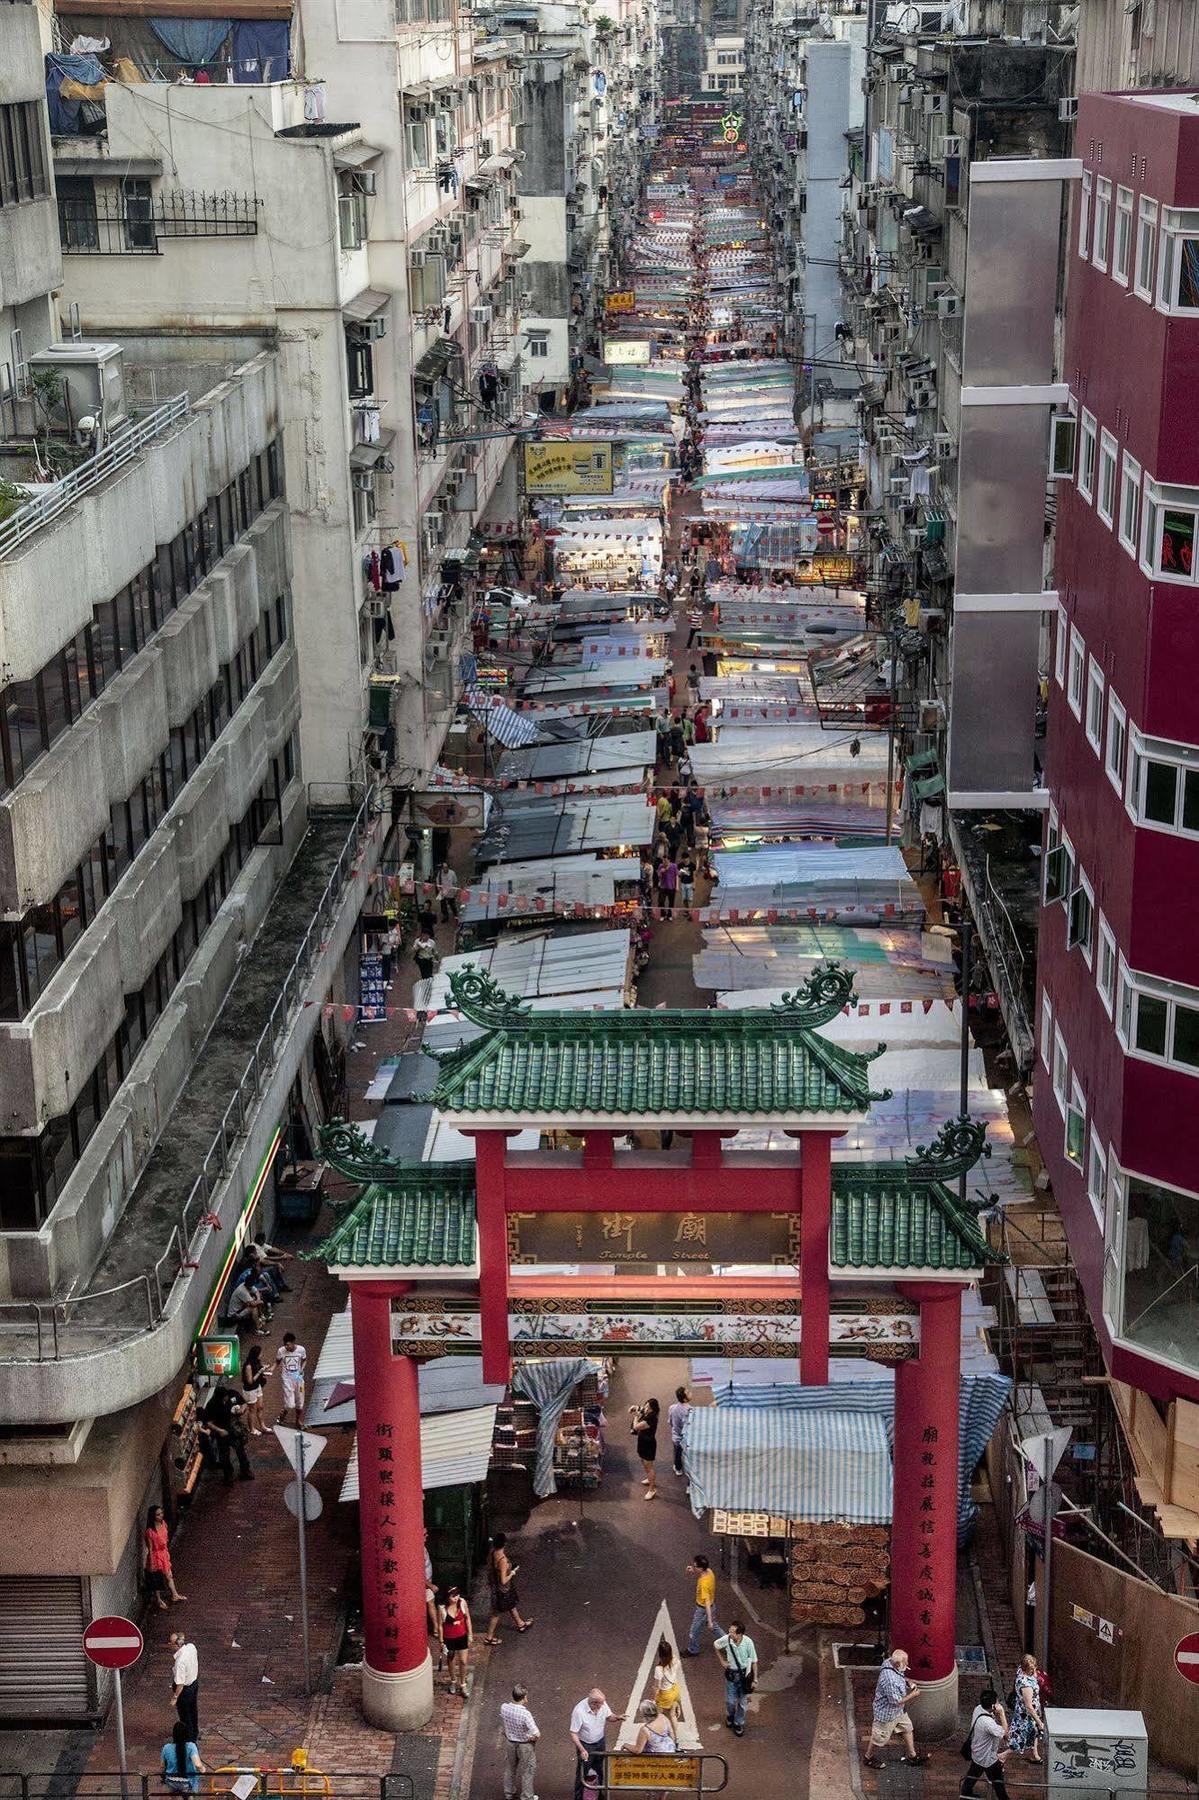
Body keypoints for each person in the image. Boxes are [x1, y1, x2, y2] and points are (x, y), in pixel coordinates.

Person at [863, 1648, 928, 1769]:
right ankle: (868, 1757)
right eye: (906, 1663)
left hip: (899, 1712)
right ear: (898, 1664)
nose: (907, 1664)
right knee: (879, 1738)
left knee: (907, 1728)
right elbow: (896, 1702)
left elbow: (900, 1676)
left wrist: (908, 1681)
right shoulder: (890, 1680)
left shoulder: (889, 1662)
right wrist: (912, 1695)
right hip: (887, 1714)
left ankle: (912, 1756)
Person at [570, 1689, 620, 1800]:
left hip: (600, 1742)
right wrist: (582, 1750)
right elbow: (573, 1733)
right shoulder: (579, 1711)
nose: (603, 1705)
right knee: (583, 1772)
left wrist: (617, 1717)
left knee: (599, 1769)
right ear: (594, 1703)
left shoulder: (602, 1703)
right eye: (600, 1703)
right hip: (586, 1745)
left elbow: (609, 1716)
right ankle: (578, 1797)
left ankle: (600, 1794)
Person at [961, 1688, 1010, 1799]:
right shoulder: (988, 1724)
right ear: (993, 1706)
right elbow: (1005, 1733)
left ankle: (965, 1794)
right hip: (988, 1758)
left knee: (973, 1775)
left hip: (977, 1752)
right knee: (999, 1784)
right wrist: (1002, 1713)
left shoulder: (978, 1709)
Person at [484, 1532, 533, 1641]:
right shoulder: (502, 1560)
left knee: (511, 1604)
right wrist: (512, 1573)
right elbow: (503, 1580)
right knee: (496, 1613)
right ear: (505, 1544)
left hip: (495, 1586)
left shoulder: (492, 1553)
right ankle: (489, 1637)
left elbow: (489, 1569)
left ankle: (520, 1624)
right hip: (503, 1589)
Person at [714, 1620, 757, 1736]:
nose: (729, 1633)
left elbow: (754, 1662)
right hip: (731, 1676)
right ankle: (730, 1715)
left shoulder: (748, 1643)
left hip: (744, 1677)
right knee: (730, 1701)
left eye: (732, 1632)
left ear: (740, 1634)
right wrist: (722, 1661)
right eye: (730, 1630)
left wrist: (755, 1679)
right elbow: (716, 1645)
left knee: (742, 1703)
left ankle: (738, 1723)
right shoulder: (727, 1639)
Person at [500, 1683, 540, 1800]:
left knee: (510, 1768)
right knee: (528, 1770)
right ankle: (527, 1796)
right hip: (525, 1745)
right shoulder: (525, 1714)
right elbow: (537, 1733)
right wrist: (532, 1738)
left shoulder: (504, 1707)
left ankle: (508, 1792)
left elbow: (504, 1722)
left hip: (510, 1742)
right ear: (524, 1697)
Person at [144, 1505, 186, 1609]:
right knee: (157, 1578)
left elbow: (165, 1538)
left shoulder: (164, 1524)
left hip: (163, 1553)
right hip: (156, 1555)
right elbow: (150, 1548)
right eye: (158, 1514)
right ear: (153, 1516)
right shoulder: (150, 1531)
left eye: (161, 1513)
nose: (160, 1516)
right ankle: (159, 1600)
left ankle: (174, 1594)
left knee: (169, 1575)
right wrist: (152, 1562)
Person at [1008, 1653, 1045, 1761]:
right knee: (1020, 1740)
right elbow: (1028, 1706)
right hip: (1026, 1716)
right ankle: (1002, 1756)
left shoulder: (1021, 1670)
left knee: (1034, 1733)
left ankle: (1034, 1754)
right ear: (1026, 1669)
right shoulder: (1025, 1684)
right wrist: (1039, 1722)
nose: (1034, 1671)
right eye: (1031, 1669)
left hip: (1029, 1712)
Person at [438, 1584, 473, 1696]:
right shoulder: (442, 1608)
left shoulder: (462, 1603)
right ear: (447, 1597)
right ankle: (453, 1681)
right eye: (453, 1596)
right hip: (449, 1638)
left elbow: (467, 1618)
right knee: (450, 1661)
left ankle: (463, 1684)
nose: (456, 1598)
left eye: (457, 1595)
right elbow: (440, 1625)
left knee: (463, 1661)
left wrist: (470, 1634)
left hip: (462, 1636)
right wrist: (441, 1641)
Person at [686, 1554, 721, 1655]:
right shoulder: (709, 1572)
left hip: (703, 1609)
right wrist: (693, 1569)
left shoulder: (704, 1584)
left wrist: (709, 1620)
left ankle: (693, 1649)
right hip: (711, 1606)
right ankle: (728, 1642)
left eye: (695, 1566)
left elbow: (707, 1602)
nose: (693, 1567)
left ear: (701, 1568)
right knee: (715, 1627)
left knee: (693, 1631)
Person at [161, 1719, 206, 1794]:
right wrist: (203, 1769)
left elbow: (162, 1766)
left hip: (171, 1780)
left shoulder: (166, 1747)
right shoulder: (191, 1746)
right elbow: (197, 1765)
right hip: (187, 1780)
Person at [169, 1633, 199, 1742]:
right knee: (193, 1710)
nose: (169, 1644)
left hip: (185, 1690)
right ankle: (195, 1732)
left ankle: (190, 1739)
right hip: (194, 1684)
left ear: (176, 1645)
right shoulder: (191, 1647)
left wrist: (175, 1697)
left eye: (171, 1643)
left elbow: (180, 1684)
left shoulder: (180, 1662)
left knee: (185, 1715)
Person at [275, 1331, 306, 1427]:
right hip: (287, 1378)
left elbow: (304, 1360)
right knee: (290, 1404)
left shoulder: (301, 1350)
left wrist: (301, 1369)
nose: (286, 1347)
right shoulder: (281, 1351)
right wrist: (272, 1368)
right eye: (285, 1345)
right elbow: (277, 1361)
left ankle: (298, 1421)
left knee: (300, 1401)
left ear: (293, 1342)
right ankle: (282, 1414)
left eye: (288, 1345)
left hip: (298, 1378)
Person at [630, 1397, 660, 1498]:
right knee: (644, 1462)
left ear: (652, 1409)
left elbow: (636, 1426)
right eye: (646, 1405)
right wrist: (635, 1407)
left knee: (649, 1466)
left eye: (648, 1407)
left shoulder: (650, 1419)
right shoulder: (649, 1412)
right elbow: (641, 1408)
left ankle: (652, 1489)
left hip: (648, 1445)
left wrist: (635, 1417)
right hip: (643, 1442)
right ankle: (649, 1478)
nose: (645, 1408)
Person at [241, 1342, 270, 1435]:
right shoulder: (248, 1366)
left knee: (260, 1407)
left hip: (257, 1387)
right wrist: (260, 1372)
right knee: (252, 1409)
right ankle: (252, 1429)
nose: (262, 1355)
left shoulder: (256, 1362)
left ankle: (263, 1426)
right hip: (250, 1390)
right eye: (260, 1353)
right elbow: (250, 1381)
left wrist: (263, 1369)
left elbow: (258, 1369)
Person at [653, 1636, 683, 1724]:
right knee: (672, 1715)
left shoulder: (659, 1669)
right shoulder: (675, 1660)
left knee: (659, 1716)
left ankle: (663, 1733)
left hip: (665, 1694)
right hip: (675, 1689)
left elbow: (657, 1687)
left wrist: (654, 1700)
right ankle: (675, 1736)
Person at [667, 1386, 691, 1476]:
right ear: (685, 1399)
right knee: (682, 1453)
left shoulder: (672, 1408)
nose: (690, 1393)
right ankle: (679, 1468)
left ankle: (677, 1466)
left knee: (676, 1451)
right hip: (684, 1438)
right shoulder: (689, 1411)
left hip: (675, 1436)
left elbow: (670, 1422)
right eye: (688, 1393)